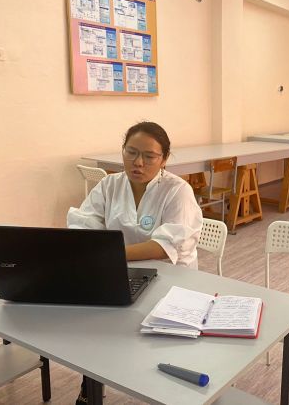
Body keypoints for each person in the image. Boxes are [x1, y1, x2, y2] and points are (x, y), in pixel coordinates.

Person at [67, 121, 202, 404]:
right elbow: (83, 225)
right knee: (91, 324)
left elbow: (163, 247)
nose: (138, 162)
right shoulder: (110, 184)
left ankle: (169, 391)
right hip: (121, 273)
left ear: (164, 159)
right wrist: (97, 249)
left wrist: (110, 252)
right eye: (131, 152)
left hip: (172, 281)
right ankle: (90, 388)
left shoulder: (177, 191)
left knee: (159, 345)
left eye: (149, 156)